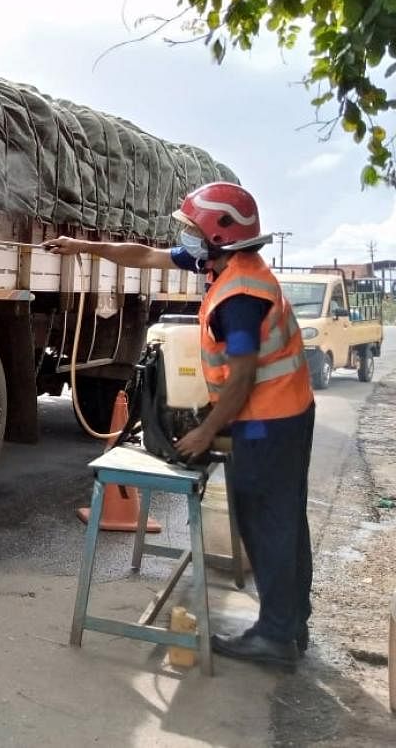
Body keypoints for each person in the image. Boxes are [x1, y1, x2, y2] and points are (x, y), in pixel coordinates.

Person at [45, 182, 315, 671]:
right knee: (283, 518)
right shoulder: (225, 266)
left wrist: (206, 431)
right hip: (279, 415)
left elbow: (244, 374)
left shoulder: (241, 294)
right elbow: (144, 256)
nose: (184, 237)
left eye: (191, 229)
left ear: (218, 233)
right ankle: (292, 622)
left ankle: (277, 636)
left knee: (268, 520)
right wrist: (83, 246)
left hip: (269, 422)